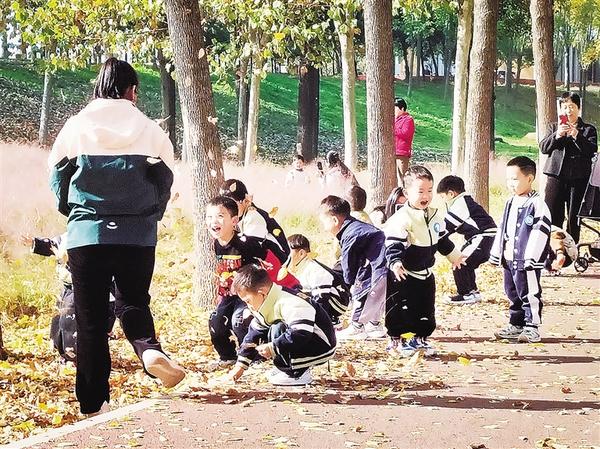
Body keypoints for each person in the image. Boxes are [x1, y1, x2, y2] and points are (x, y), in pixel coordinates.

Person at [48, 58, 185, 416]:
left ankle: (94, 403)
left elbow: (57, 179)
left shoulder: (75, 127)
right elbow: (165, 181)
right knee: (134, 302)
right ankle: (149, 351)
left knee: (90, 320)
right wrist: (150, 215)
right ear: (131, 90)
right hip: (136, 237)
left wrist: (75, 213)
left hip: (87, 235)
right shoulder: (150, 130)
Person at [205, 196, 300, 369]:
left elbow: (271, 253)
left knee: (240, 320)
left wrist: (280, 278)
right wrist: (221, 294)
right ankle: (227, 356)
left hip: (250, 294)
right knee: (216, 322)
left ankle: (254, 357)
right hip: (230, 294)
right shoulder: (216, 244)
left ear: (234, 221)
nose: (214, 221)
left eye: (220, 216)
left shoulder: (246, 243)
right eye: (209, 217)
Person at [384, 166, 465, 357]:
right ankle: (398, 340)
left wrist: (455, 256)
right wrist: (395, 262)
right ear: (406, 193)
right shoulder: (401, 218)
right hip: (404, 273)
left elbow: (442, 241)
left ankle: (420, 338)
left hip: (426, 272)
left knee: (425, 308)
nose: (426, 196)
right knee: (401, 308)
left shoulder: (435, 215)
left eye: (429, 190)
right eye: (420, 191)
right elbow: (393, 245)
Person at [229, 264, 337, 386]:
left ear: (262, 293)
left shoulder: (290, 302)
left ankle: (296, 373)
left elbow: (301, 333)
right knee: (272, 328)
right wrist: (240, 365)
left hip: (322, 346)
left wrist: (273, 347)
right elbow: (253, 334)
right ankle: (290, 367)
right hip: (307, 339)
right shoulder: (268, 301)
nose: (248, 306)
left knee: (278, 327)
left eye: (248, 301)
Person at [21, 233, 117, 361]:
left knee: (72, 326)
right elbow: (52, 245)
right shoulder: (72, 234)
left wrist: (69, 261)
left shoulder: (100, 238)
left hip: (88, 290)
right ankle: (63, 354)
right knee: (59, 322)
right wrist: (35, 242)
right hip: (68, 288)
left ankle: (77, 358)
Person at [490, 156, 552, 343]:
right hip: (509, 258)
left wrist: (532, 256)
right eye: (508, 179)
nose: (510, 183)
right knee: (512, 292)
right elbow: (502, 228)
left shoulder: (537, 204)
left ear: (529, 178)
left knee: (529, 293)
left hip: (527, 261)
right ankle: (516, 323)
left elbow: (540, 231)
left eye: (515, 179)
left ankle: (532, 326)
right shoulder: (510, 202)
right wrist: (496, 253)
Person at [318, 196, 388, 341]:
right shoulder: (357, 227)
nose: (324, 227)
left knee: (362, 293)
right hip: (385, 266)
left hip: (375, 266)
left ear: (334, 220)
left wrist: (348, 284)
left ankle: (357, 327)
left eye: (324, 222)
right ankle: (374, 325)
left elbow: (349, 264)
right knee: (377, 296)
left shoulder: (350, 234)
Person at [540, 92, 597, 243]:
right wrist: (557, 135)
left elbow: (591, 150)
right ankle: (553, 247)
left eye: (572, 107)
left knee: (574, 217)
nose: (568, 110)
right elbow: (543, 148)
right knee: (552, 213)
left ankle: (572, 249)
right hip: (555, 177)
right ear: (561, 109)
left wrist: (577, 135)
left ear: (579, 108)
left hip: (578, 179)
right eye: (565, 107)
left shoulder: (589, 130)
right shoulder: (553, 127)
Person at [437, 175, 497, 305]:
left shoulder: (460, 204)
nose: (443, 201)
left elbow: (445, 229)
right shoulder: (464, 201)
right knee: (465, 262)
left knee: (459, 262)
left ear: (451, 194)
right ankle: (473, 292)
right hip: (481, 237)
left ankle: (466, 294)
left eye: (442, 197)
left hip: (484, 237)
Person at [284, 234, 351, 324]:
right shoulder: (303, 267)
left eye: (287, 252)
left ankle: (329, 320)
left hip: (337, 302)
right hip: (322, 297)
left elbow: (321, 298)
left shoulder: (314, 269)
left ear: (301, 253)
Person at [220, 179, 290, 263]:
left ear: (244, 201)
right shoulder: (241, 216)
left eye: (233, 204)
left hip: (277, 262)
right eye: (226, 206)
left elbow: (250, 248)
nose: (229, 209)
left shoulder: (253, 217)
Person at [393, 98, 415, 186]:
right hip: (393, 151)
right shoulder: (394, 119)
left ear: (402, 108)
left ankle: (406, 191)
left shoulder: (408, 120)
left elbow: (405, 133)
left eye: (395, 109)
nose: (393, 111)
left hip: (402, 153)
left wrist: (393, 130)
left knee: (403, 177)